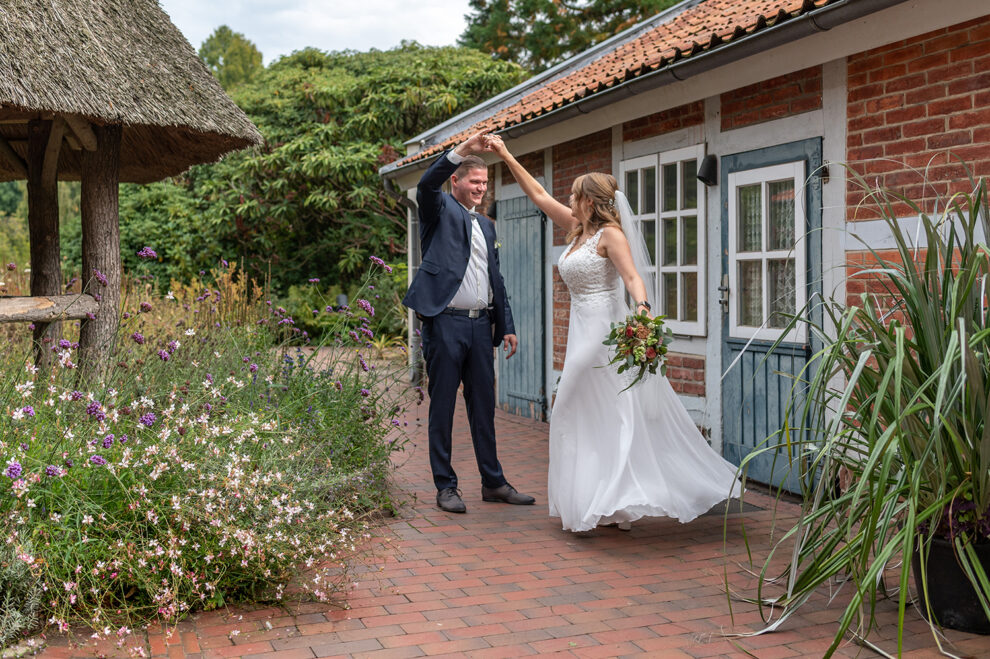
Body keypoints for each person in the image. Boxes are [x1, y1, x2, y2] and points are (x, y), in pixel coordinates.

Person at [487, 133, 741, 533]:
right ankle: (606, 501)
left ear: (590, 201)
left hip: (604, 331)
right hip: (580, 330)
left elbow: (633, 278)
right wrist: (504, 153)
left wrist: (642, 312)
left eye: (574, 195)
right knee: (596, 414)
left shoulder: (611, 236)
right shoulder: (576, 229)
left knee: (569, 403)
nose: (569, 200)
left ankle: (607, 496)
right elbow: (537, 194)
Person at [403, 130, 536, 514]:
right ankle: (446, 487)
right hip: (445, 324)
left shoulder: (489, 226)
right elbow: (426, 183)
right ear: (456, 182)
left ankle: (493, 483)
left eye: (484, 183)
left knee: (484, 407)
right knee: (442, 406)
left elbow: (497, 280)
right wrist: (463, 151)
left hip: (482, 328)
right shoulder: (438, 209)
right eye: (473, 182)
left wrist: (505, 323)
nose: (480, 188)